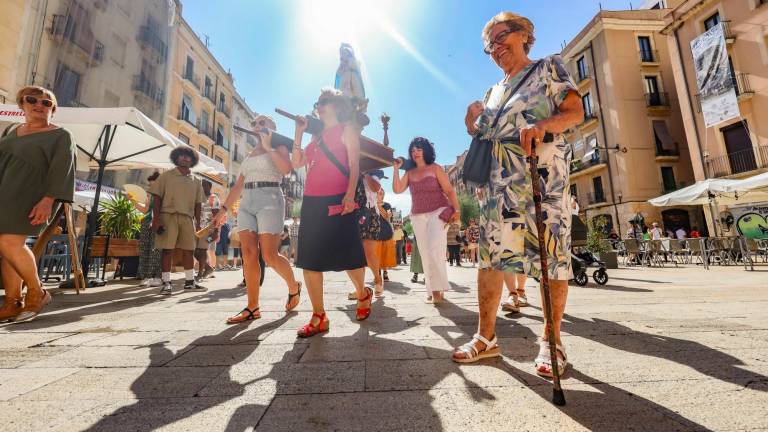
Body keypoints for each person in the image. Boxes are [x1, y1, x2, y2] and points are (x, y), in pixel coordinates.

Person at [454, 12, 584, 379]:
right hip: (498, 187)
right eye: (489, 45)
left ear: (524, 34)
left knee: (552, 259)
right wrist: (471, 123)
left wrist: (543, 125)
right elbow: (483, 135)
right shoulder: (492, 91)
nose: (494, 49)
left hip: (543, 179)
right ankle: (485, 337)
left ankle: (551, 341)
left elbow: (574, 111)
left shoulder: (548, 68)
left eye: (500, 38)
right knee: (490, 260)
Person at [291, 88, 371, 337]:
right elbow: (296, 163)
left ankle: (362, 293)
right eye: (317, 102)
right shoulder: (315, 139)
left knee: (348, 255)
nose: (319, 106)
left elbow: (355, 164)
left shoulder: (347, 130)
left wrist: (349, 195)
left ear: (336, 105)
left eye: (324, 102)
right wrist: (298, 133)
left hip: (338, 198)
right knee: (309, 259)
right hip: (312, 202)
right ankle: (319, 316)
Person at [213, 115, 302, 323]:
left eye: (263, 122)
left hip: (270, 197)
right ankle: (252, 307)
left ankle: (293, 286)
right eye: (255, 123)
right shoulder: (249, 154)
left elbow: (286, 169)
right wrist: (223, 209)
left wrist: (268, 145)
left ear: (272, 127)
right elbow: (238, 186)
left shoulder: (278, 147)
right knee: (249, 253)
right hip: (247, 201)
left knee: (270, 255)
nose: (257, 126)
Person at [0, 86, 76, 323]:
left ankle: (38, 291)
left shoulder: (61, 135)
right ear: (21, 104)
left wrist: (48, 200)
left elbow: (62, 169)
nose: (38, 105)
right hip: (5, 191)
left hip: (33, 195)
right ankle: (13, 302)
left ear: (52, 110)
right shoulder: (11, 130)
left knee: (9, 242)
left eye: (46, 103)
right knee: (7, 249)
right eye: (32, 100)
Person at [393, 137, 460, 304]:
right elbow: (397, 189)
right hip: (417, 216)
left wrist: (457, 210)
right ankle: (431, 289)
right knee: (424, 254)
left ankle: (437, 291)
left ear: (426, 151)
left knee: (433, 249)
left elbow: (450, 191)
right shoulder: (409, 172)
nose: (415, 152)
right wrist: (396, 169)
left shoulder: (435, 168)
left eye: (419, 149)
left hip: (438, 211)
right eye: (413, 150)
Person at [150, 147, 207, 294]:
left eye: (188, 157)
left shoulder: (196, 180)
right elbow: (156, 198)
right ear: (176, 158)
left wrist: (199, 223)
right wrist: (156, 220)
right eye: (182, 156)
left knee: (189, 250)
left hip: (188, 218)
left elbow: (198, 204)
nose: (185, 158)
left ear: (192, 160)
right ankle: (166, 283)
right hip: (167, 215)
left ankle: (189, 282)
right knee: (167, 250)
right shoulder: (166, 176)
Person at [348, 170, 387, 299]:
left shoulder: (372, 172)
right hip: (352, 215)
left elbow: (376, 187)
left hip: (370, 216)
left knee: (369, 253)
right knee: (355, 254)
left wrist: (364, 173)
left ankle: (377, 279)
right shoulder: (349, 171)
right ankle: (360, 288)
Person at [132, 172, 162, 287]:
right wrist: (133, 201)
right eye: (150, 185)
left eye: (152, 185)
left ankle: (154, 276)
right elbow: (145, 210)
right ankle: (144, 276)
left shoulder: (164, 194)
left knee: (155, 250)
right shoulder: (149, 194)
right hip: (146, 222)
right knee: (144, 248)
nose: (150, 187)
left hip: (158, 222)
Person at [194, 180, 220, 281]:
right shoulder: (199, 197)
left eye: (204, 185)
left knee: (202, 250)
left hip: (208, 228)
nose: (202, 187)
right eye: (201, 185)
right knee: (194, 251)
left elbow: (217, 215)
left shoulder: (214, 198)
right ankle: (208, 268)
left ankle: (200, 274)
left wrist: (216, 231)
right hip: (198, 227)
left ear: (210, 186)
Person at [379, 192, 397, 282]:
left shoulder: (387, 205)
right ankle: (377, 272)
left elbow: (389, 216)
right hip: (375, 230)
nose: (380, 194)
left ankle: (385, 272)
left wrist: (388, 215)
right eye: (378, 193)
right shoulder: (372, 203)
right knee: (377, 252)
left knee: (385, 252)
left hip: (385, 230)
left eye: (382, 193)